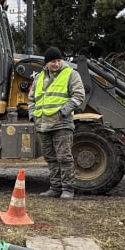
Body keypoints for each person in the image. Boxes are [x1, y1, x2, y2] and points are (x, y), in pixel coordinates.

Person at [28, 46, 86, 199]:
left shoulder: (71, 74)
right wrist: (32, 116)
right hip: (42, 123)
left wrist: (63, 111)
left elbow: (79, 96)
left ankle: (68, 189)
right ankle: (55, 187)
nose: (56, 64)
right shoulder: (39, 78)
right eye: (53, 61)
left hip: (61, 124)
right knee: (50, 158)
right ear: (47, 63)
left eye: (58, 60)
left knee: (64, 157)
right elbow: (32, 99)